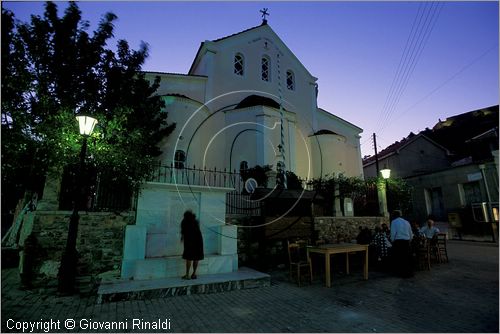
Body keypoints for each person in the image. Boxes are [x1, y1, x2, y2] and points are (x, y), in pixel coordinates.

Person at [180, 210, 204, 279]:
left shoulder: (184, 222)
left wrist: (182, 238)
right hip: (198, 241)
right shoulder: (195, 221)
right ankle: (194, 274)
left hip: (189, 241)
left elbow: (183, 232)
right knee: (196, 258)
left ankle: (187, 274)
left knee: (189, 257)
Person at [390, 210, 414, 278]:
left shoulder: (394, 222)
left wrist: (392, 241)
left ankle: (402, 273)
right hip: (406, 241)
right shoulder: (407, 222)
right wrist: (409, 240)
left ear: (395, 215)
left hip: (399, 242)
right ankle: (409, 272)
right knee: (407, 258)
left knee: (400, 258)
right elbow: (410, 233)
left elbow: (393, 233)